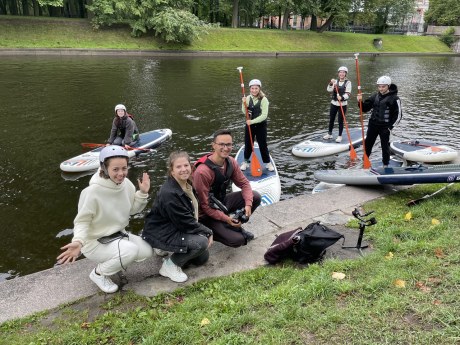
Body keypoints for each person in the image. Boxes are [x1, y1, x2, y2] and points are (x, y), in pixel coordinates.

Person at [57, 146, 153, 293]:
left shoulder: (126, 184)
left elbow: (132, 210)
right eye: (115, 169)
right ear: (104, 168)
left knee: (147, 251)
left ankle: (114, 260)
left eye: (124, 168)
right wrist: (78, 241)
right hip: (94, 242)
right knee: (130, 251)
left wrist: (142, 193)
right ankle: (98, 274)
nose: (121, 174)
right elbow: (82, 221)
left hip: (117, 235)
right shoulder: (91, 192)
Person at [142, 151, 213, 283]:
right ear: (172, 171)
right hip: (162, 231)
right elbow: (186, 222)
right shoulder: (169, 193)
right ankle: (169, 266)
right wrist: (208, 232)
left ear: (191, 167)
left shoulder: (186, 184)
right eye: (178, 167)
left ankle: (164, 248)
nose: (183, 169)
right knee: (201, 243)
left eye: (186, 165)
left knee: (202, 259)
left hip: (173, 226)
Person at [194, 129, 262, 248]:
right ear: (213, 145)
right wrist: (226, 219)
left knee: (255, 196)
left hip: (221, 202)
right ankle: (208, 231)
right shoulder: (203, 172)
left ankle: (233, 226)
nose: (226, 148)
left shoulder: (231, 162)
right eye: (222, 144)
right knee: (237, 241)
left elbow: (245, 184)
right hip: (205, 214)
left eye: (229, 144)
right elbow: (205, 206)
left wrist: (248, 205)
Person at [357, 75, 402, 167]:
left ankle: (385, 164)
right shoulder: (375, 96)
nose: (381, 89)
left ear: (388, 86)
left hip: (385, 127)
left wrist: (389, 128)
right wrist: (360, 102)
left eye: (383, 86)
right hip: (373, 124)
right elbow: (364, 109)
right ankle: (364, 161)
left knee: (385, 146)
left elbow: (398, 116)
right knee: (368, 144)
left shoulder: (395, 99)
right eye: (379, 86)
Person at [240, 79, 274, 172]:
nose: (254, 90)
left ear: (259, 89)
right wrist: (243, 104)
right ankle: (246, 162)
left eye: (256, 88)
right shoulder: (247, 98)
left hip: (260, 126)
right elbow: (245, 112)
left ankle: (267, 163)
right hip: (249, 126)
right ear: (250, 89)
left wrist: (252, 121)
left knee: (262, 144)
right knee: (248, 145)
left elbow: (264, 115)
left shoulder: (264, 99)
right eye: (252, 88)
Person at [323, 66, 352, 143]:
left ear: (345, 74)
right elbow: (329, 90)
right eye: (340, 72)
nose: (341, 74)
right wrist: (331, 83)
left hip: (342, 105)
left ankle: (340, 136)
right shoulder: (335, 82)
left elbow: (348, 94)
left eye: (343, 72)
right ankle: (329, 134)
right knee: (331, 119)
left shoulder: (348, 83)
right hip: (334, 103)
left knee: (340, 120)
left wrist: (342, 98)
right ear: (338, 73)